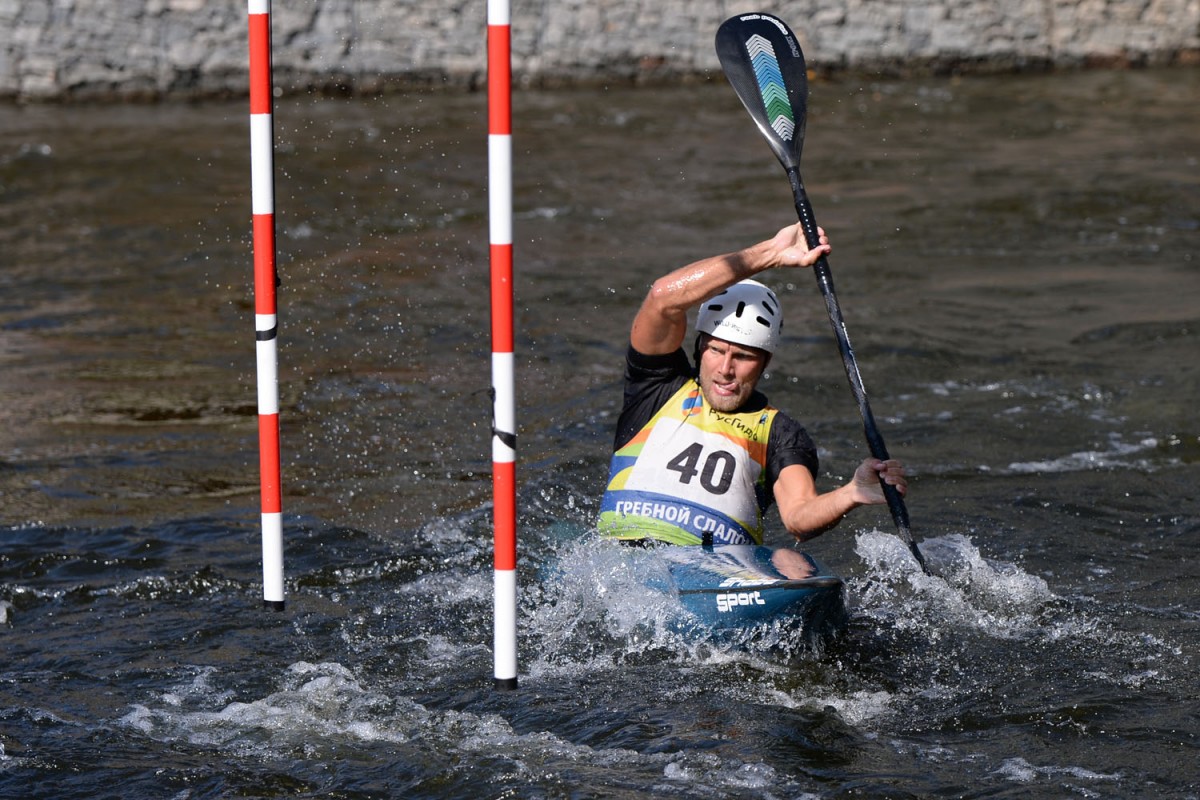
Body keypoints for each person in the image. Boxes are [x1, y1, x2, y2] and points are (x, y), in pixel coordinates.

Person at [597, 222, 907, 577]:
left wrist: (852, 492)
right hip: (619, 565)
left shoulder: (780, 433)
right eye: (716, 350)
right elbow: (662, 297)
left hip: (712, 577)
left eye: (743, 356)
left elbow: (799, 517)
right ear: (699, 348)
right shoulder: (656, 385)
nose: (725, 369)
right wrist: (770, 254)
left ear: (765, 362)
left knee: (792, 564)